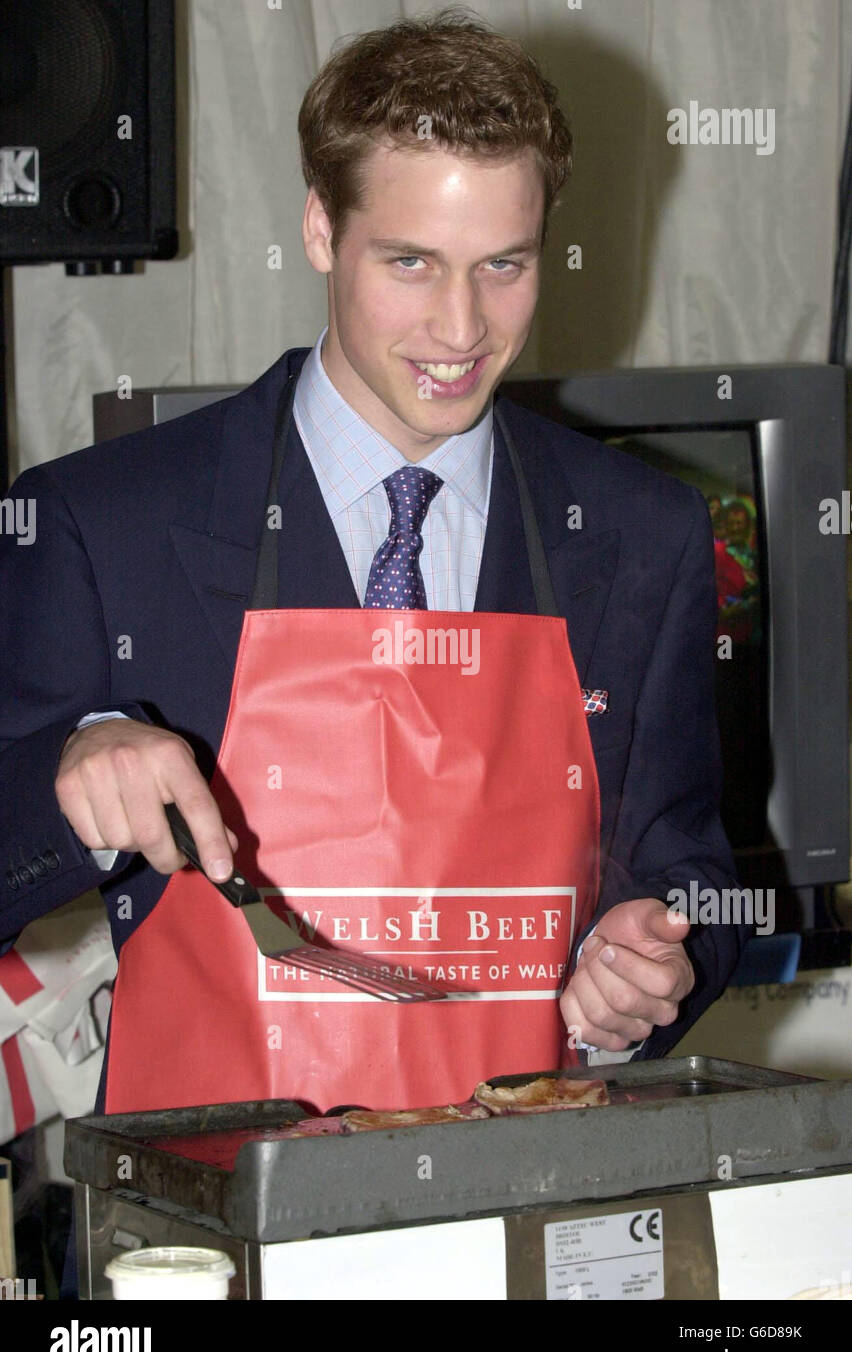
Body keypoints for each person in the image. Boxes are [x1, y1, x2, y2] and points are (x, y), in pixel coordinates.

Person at [0, 12, 745, 1122]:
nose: (461, 328)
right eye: (411, 263)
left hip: (528, 1196)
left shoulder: (645, 534)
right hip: (217, 1217)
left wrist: (653, 968)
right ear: (317, 228)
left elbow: (694, 877)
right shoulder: (102, 521)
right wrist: (75, 775)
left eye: (506, 265)